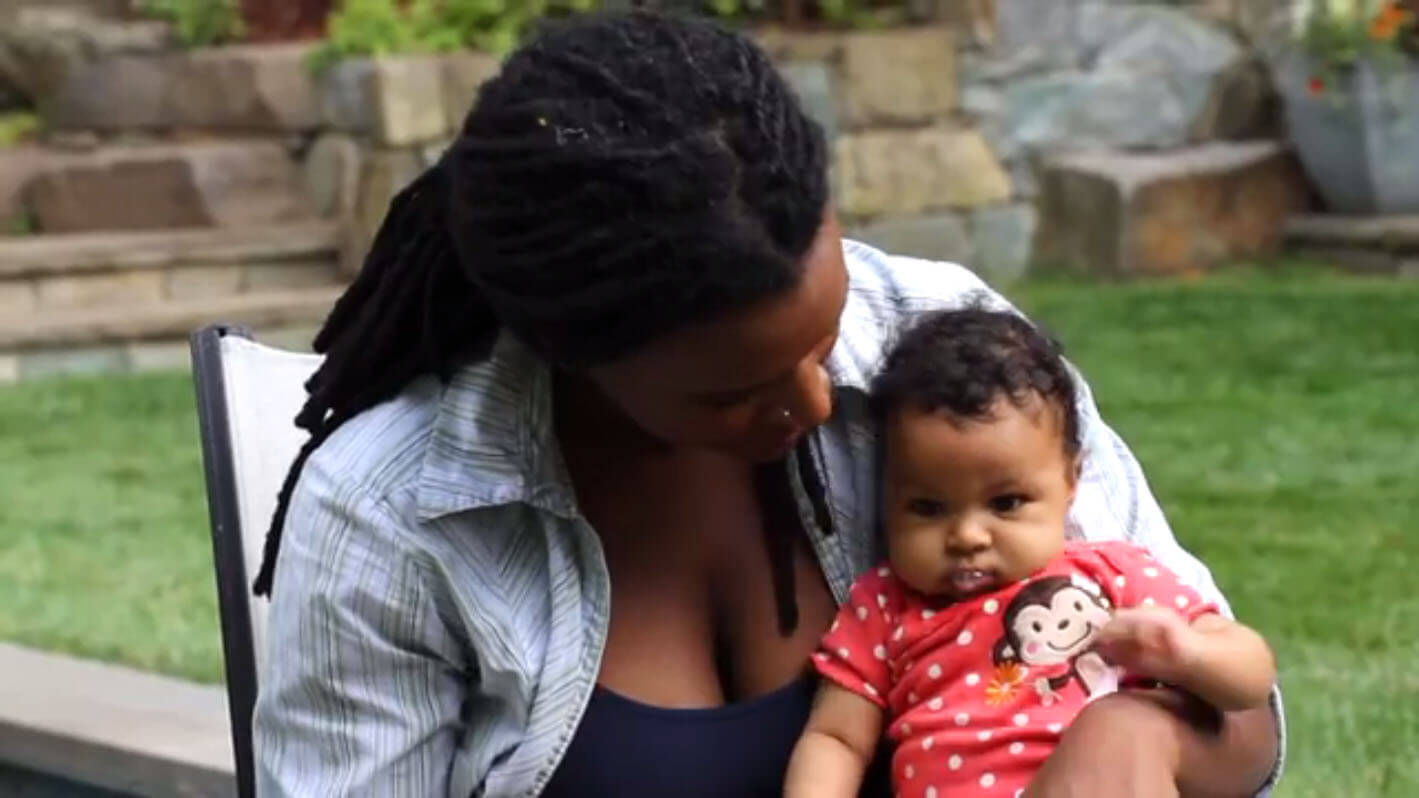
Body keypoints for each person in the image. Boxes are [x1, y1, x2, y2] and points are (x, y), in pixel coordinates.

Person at [251, 11, 1284, 797]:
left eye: (822, 336)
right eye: (733, 392)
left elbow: (1246, 723)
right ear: (578, 353)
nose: (821, 398)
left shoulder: (954, 352)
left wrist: (1140, 735)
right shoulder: (392, 515)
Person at [784, 309, 1277, 798]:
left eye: (1006, 503)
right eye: (928, 508)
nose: (968, 536)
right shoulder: (884, 608)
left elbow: (1251, 676)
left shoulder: (1112, 576)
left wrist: (1189, 655)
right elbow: (838, 739)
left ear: (1070, 482)